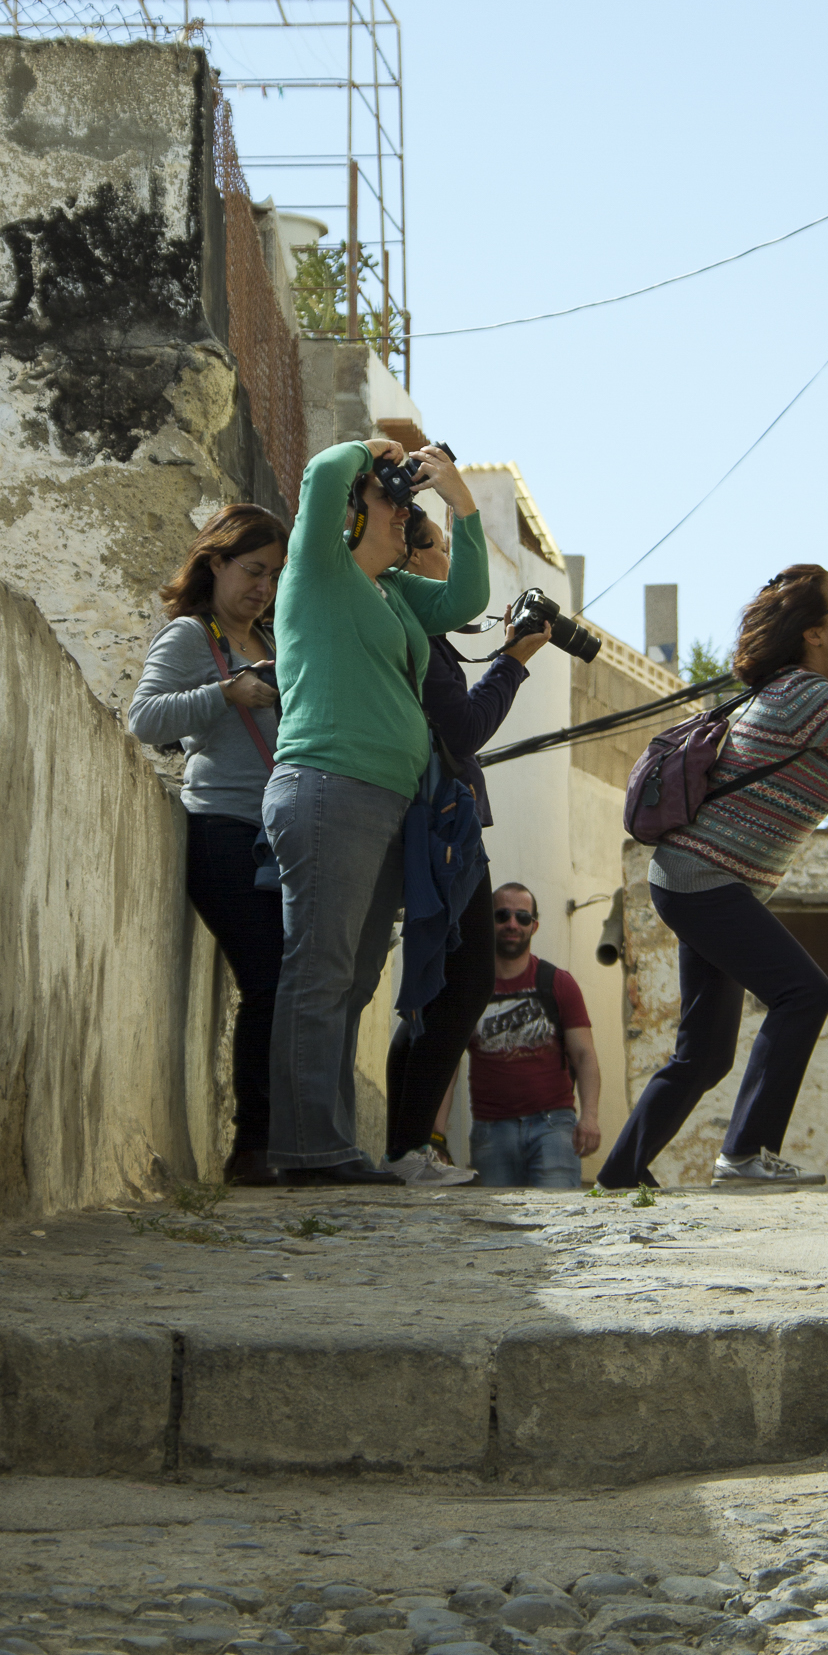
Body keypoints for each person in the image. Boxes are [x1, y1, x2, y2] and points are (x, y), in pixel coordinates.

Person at [597, 565, 828, 1192]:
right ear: (812, 633)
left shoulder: (814, 688)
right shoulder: (802, 696)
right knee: (803, 992)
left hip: (696, 880)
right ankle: (746, 1154)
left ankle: (619, 1175)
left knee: (704, 1053)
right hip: (704, 879)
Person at [263, 436, 489, 1186]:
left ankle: (326, 1143)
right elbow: (321, 473)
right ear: (353, 514)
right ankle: (306, 1146)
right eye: (387, 500)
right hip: (330, 784)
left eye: (404, 502)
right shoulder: (318, 569)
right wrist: (366, 451)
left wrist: (460, 505)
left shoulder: (392, 592)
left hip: (385, 801)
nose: (401, 512)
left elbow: (465, 601)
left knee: (354, 980)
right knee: (321, 970)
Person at [381, 506, 551, 1186]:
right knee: (461, 985)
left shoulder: (417, 632)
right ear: (413, 562)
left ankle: (405, 1148)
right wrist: (513, 661)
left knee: (438, 989)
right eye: (441, 549)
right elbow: (464, 730)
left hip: (436, 821)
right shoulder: (418, 635)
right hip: (440, 824)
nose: (450, 564)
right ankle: (407, 1149)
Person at [127, 504, 288, 1187]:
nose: (263, 587)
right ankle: (252, 1147)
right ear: (216, 562)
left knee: (289, 986)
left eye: (274, 575)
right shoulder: (193, 635)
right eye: (253, 570)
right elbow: (144, 717)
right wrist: (226, 692)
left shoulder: (274, 637)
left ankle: (275, 1142)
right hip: (222, 831)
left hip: (278, 838)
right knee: (269, 982)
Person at [466, 882, 602, 1189]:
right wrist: (436, 1136)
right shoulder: (469, 989)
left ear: (534, 926)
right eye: (502, 915)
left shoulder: (558, 983)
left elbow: (584, 1055)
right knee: (497, 1219)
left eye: (522, 917)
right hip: (491, 1130)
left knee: (558, 1215)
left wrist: (590, 1117)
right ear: (487, 921)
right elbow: (445, 1066)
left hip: (553, 1127)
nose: (512, 924)